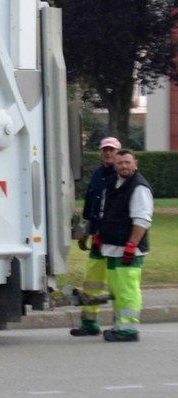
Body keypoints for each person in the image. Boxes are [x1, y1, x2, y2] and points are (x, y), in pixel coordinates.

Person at [95, 149, 152, 341]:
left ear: (135, 163)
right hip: (112, 247)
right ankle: (120, 326)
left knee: (127, 289)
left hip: (128, 250)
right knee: (117, 290)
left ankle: (128, 330)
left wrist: (131, 245)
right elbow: (105, 213)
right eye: (120, 163)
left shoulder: (139, 187)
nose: (124, 166)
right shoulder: (112, 184)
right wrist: (99, 235)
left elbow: (142, 220)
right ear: (115, 165)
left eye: (128, 162)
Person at [71, 137, 120, 336]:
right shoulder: (98, 174)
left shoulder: (122, 176)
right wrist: (85, 232)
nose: (108, 153)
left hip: (116, 238)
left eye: (111, 150)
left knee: (118, 282)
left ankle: (121, 323)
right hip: (98, 238)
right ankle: (89, 323)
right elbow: (91, 205)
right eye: (104, 150)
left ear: (118, 152)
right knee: (92, 281)